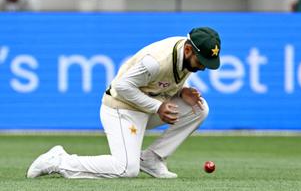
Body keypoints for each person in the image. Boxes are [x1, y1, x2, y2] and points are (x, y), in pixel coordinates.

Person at [26, 27, 221, 179]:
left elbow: (170, 77)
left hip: (148, 104)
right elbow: (121, 86)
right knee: (125, 169)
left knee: (199, 109)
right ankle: (59, 161)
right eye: (201, 61)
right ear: (188, 50)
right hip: (121, 108)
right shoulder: (156, 61)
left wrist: (182, 90)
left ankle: (152, 159)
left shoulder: (187, 52)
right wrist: (158, 107)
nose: (203, 67)